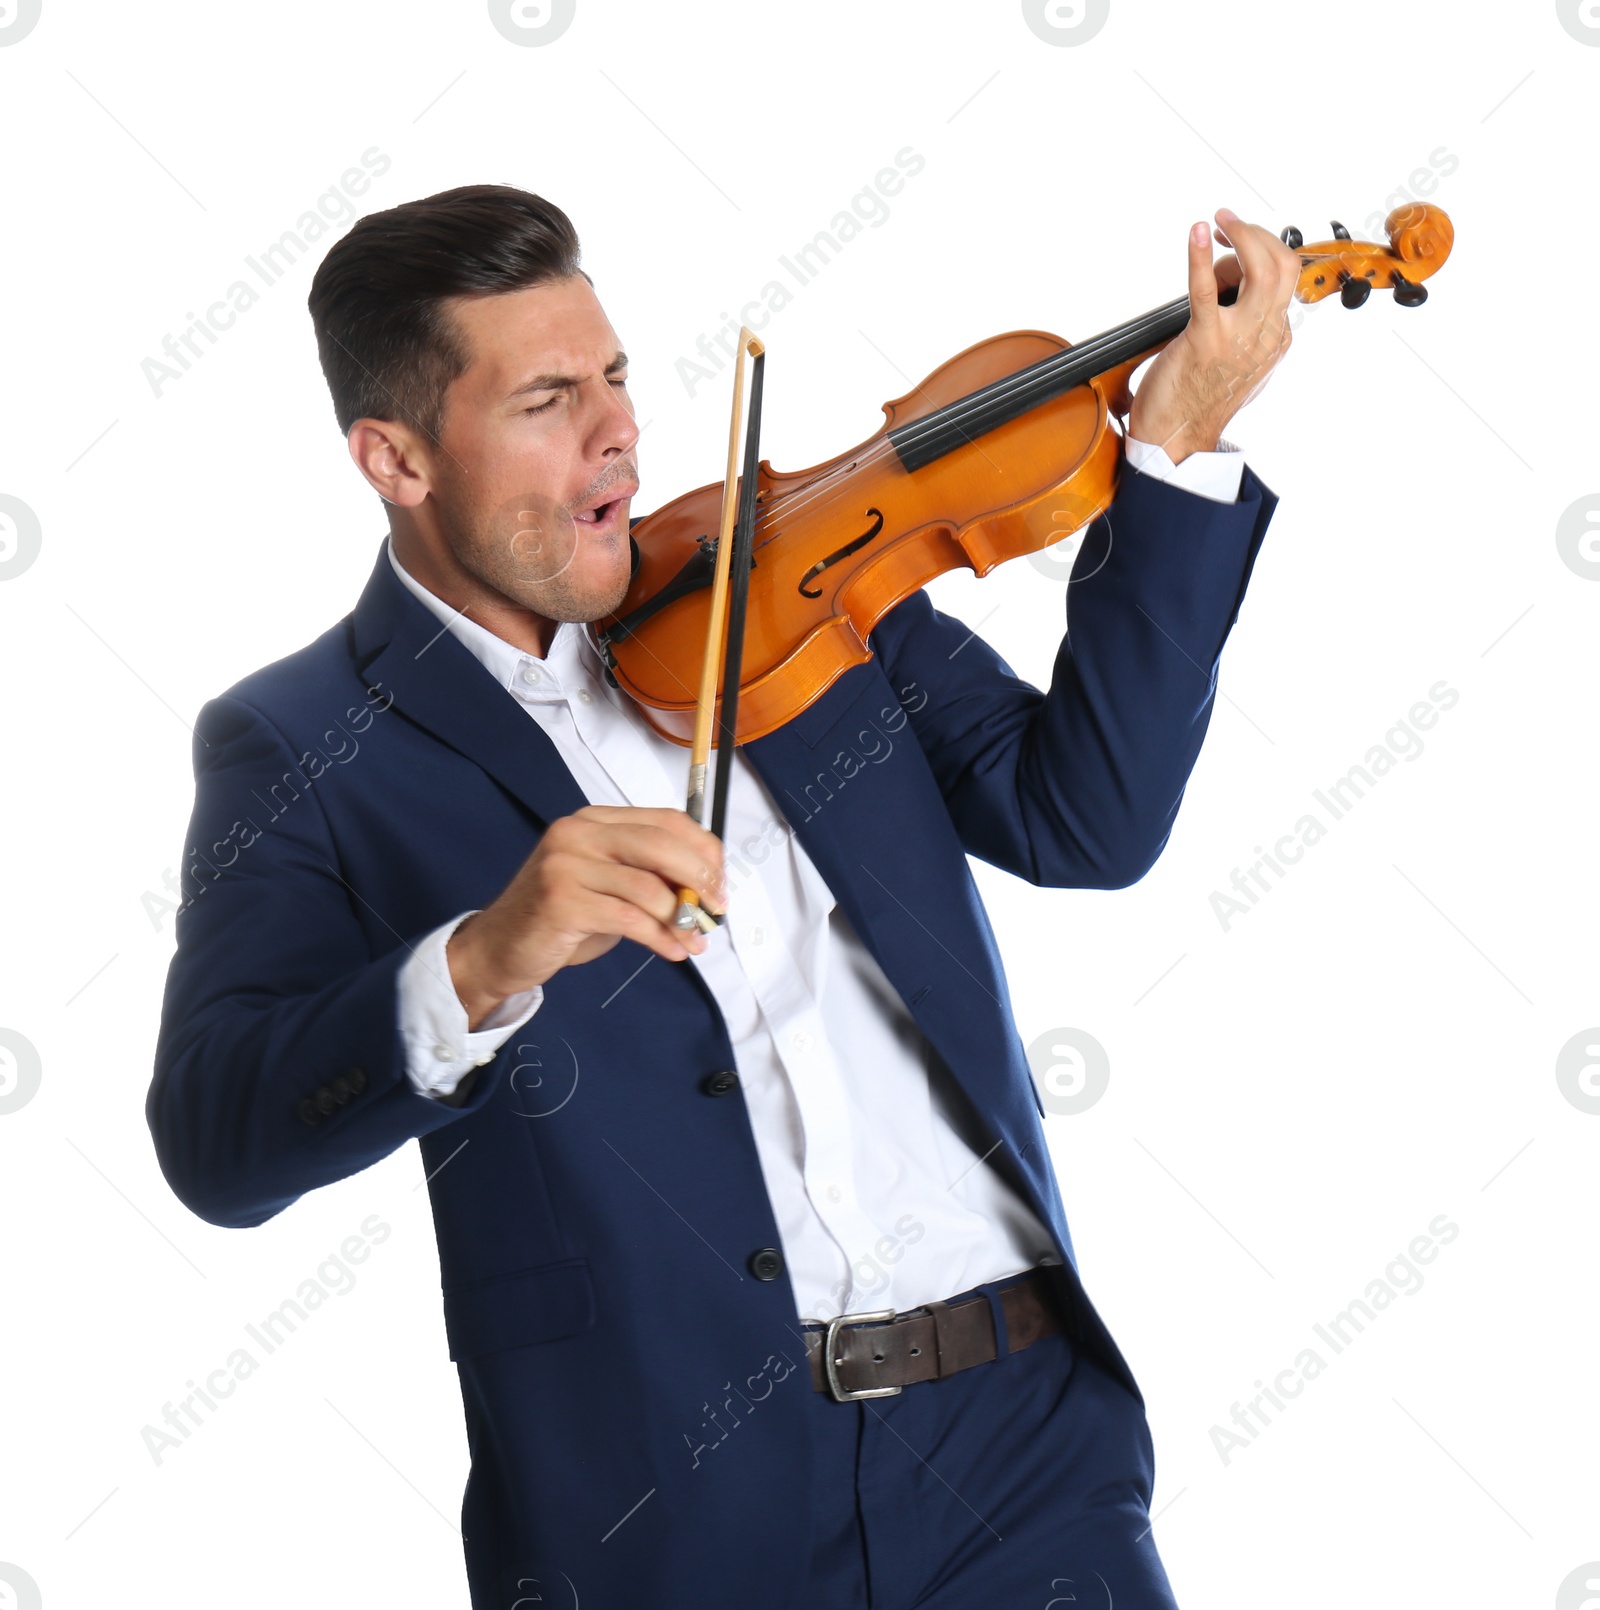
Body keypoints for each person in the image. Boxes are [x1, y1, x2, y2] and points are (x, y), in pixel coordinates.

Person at [147, 184, 1295, 1608]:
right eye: (549, 398)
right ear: (396, 459)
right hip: (678, 1505)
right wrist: (482, 961)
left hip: (1021, 1445)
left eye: (617, 376)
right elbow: (216, 1136)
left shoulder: (780, 581)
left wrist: (1171, 451)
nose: (618, 428)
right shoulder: (304, 741)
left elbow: (1088, 817)